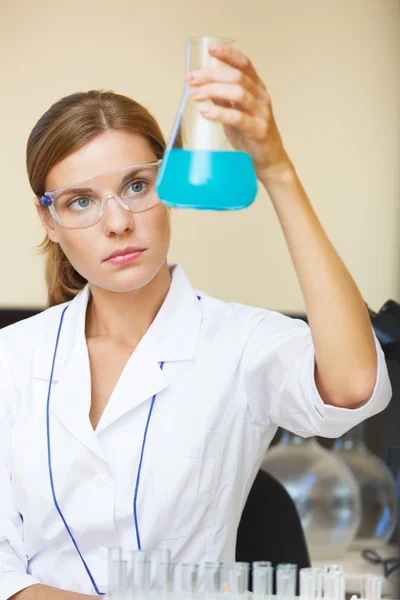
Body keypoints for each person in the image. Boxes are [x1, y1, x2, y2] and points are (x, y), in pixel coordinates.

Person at [1, 43, 391, 599]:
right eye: (81, 201)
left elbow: (355, 387)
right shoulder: (11, 358)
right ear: (49, 218)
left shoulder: (240, 342)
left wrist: (275, 170)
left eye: (137, 186)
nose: (117, 223)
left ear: (171, 187)